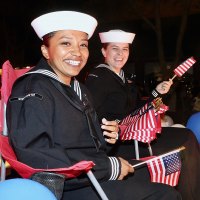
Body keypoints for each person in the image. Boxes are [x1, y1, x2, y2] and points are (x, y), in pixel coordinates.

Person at [5, 11, 182, 200]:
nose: (77, 52)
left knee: (170, 166)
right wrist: (108, 167)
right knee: (166, 194)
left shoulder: (77, 87)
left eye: (83, 44)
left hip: (91, 171)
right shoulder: (33, 87)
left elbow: (86, 142)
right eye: (66, 43)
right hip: (63, 186)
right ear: (45, 50)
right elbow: (37, 155)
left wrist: (107, 136)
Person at [85, 30, 200, 200]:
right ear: (104, 51)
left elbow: (136, 110)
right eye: (114, 49)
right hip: (117, 144)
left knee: (186, 136)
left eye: (125, 49)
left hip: (135, 136)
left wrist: (156, 93)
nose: (120, 54)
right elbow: (90, 115)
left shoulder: (122, 77)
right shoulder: (99, 77)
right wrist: (113, 125)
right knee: (185, 140)